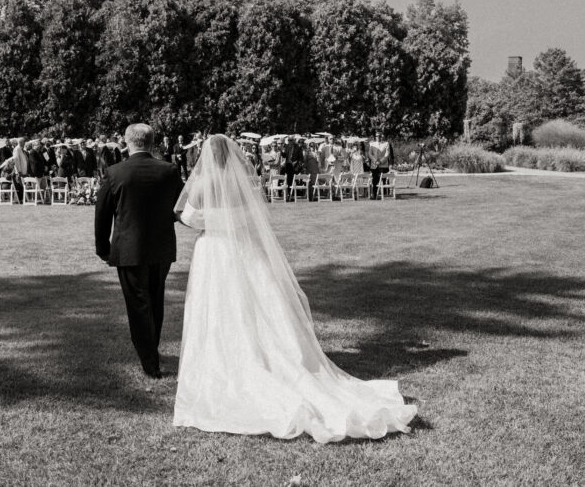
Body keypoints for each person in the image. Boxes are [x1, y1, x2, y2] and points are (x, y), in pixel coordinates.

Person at [173, 135, 417, 442]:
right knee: (254, 303)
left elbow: (189, 217)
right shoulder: (241, 182)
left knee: (217, 304)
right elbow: (252, 216)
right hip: (243, 249)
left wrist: (208, 220)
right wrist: (230, 221)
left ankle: (226, 361)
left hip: (214, 250)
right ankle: (264, 354)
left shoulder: (201, 184)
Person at [94, 123, 184, 379]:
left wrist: (103, 248)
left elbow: (102, 214)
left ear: (127, 142)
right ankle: (151, 350)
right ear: (152, 142)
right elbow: (179, 206)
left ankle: (149, 361)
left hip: (129, 249)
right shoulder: (169, 170)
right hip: (161, 247)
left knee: (138, 304)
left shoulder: (115, 173)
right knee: (155, 300)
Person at [368, 131, 394, 200]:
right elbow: (370, 154)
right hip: (374, 165)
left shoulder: (386, 144)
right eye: (377, 136)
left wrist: (380, 161)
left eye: (379, 136)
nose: (378, 137)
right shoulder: (372, 144)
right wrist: (375, 161)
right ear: (375, 137)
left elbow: (387, 154)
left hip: (383, 165)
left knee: (383, 180)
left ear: (382, 136)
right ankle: (374, 195)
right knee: (374, 181)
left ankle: (384, 194)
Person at [281, 135, 303, 202]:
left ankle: (293, 195)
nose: (289, 141)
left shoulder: (298, 147)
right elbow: (284, 156)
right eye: (288, 140)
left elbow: (301, 158)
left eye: (291, 140)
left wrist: (296, 162)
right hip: (288, 166)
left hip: (295, 167)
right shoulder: (286, 146)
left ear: (293, 140)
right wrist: (281, 151)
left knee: (294, 181)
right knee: (288, 181)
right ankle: (288, 195)